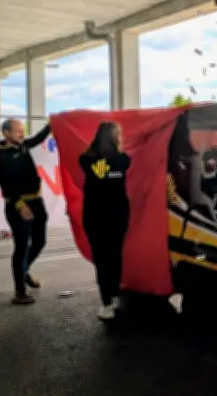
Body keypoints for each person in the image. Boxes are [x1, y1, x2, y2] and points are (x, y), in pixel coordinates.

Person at [0, 119, 52, 305]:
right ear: (6, 133)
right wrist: (20, 205)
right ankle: (19, 291)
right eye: (18, 131)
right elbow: (5, 183)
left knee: (40, 241)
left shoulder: (22, 145)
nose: (22, 134)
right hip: (18, 205)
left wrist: (52, 124)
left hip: (36, 201)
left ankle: (24, 270)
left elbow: (38, 138)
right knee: (22, 245)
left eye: (22, 131)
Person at [79, 122, 131, 320]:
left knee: (103, 260)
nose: (121, 138)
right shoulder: (123, 160)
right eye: (119, 134)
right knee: (113, 256)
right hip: (115, 215)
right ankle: (113, 295)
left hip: (96, 216)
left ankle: (107, 301)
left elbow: (91, 161)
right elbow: (113, 164)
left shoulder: (85, 160)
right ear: (113, 138)